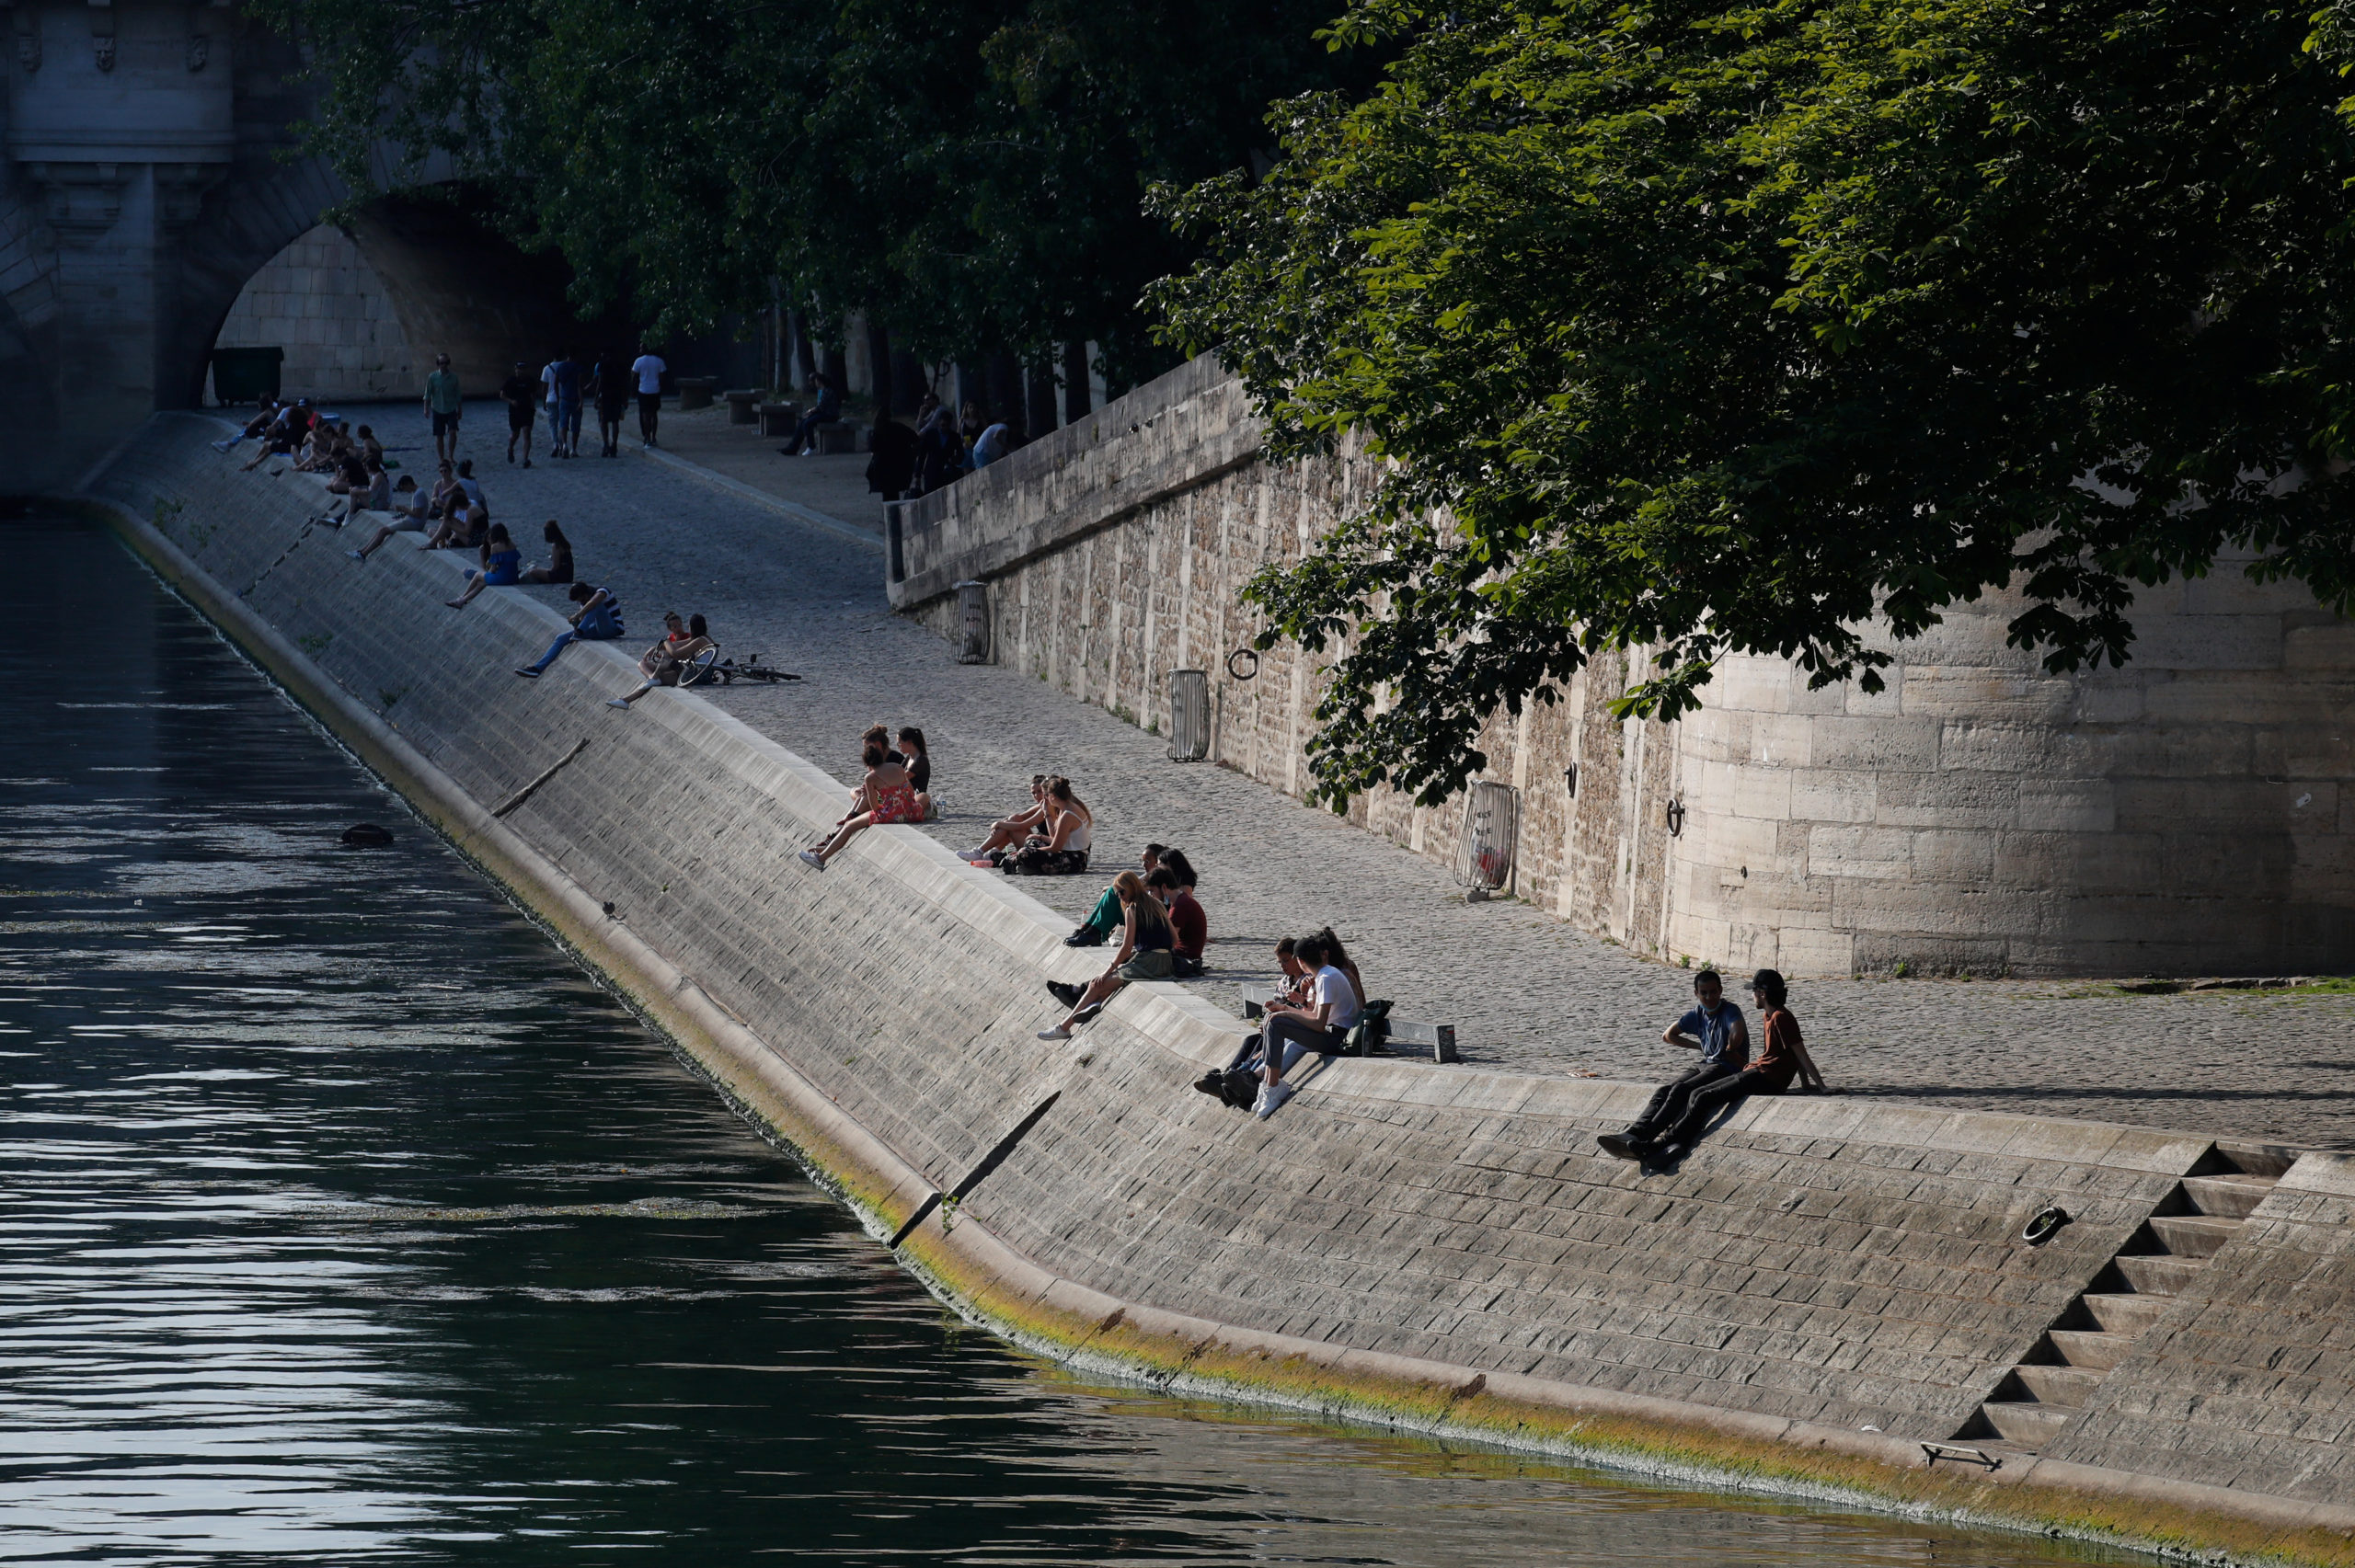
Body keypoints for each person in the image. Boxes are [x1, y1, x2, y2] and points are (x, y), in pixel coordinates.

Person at [1610, 969, 1821, 1164]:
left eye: (1754, 991)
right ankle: (1668, 1141)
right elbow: (1793, 1054)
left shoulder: (1780, 1018)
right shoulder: (1769, 1016)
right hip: (1757, 1071)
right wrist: (1804, 1083)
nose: (1752, 996)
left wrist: (1820, 1086)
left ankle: (1660, 1144)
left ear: (1762, 994)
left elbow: (1800, 1054)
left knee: (1700, 1096)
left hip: (1765, 1077)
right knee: (1692, 1093)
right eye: (1704, 993)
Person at [1596, 969, 1749, 1161]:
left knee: (1681, 1089)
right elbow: (1668, 1035)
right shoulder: (1698, 1013)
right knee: (1664, 1089)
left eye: (1713, 992)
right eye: (1704, 993)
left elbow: (1737, 1030)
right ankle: (1634, 1131)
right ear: (1696, 993)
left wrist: (1732, 1045)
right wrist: (1700, 1047)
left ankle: (1645, 1137)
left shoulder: (1730, 1010)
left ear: (1720, 990)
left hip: (1725, 1066)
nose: (1709, 997)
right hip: (1706, 1062)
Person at [1037, 871, 1173, 1040]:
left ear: (1132, 887)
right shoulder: (1157, 904)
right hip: (1165, 961)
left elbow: (1126, 947)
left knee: (1097, 984)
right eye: (1117, 894)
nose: (1120, 897)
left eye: (1122, 892)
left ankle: (1064, 1027)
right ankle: (1095, 1003)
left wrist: (1107, 971)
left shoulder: (1133, 909)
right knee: (1103, 987)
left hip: (1149, 962)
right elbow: (1174, 938)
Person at [1251, 933, 1361, 1119]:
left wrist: (1285, 1014)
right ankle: (1268, 1084)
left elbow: (1318, 1024)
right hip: (1332, 1032)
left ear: (1300, 961)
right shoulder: (1324, 975)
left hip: (1339, 1038)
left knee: (1276, 1022)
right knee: (1273, 1020)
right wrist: (1284, 1008)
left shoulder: (1326, 978)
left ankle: (1273, 1086)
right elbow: (1315, 1016)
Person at [798, 737, 919, 867]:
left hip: (895, 815)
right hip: (912, 811)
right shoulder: (897, 767)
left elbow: (875, 808)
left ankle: (820, 859)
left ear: (867, 764)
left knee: (849, 826)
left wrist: (874, 796)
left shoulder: (870, 777)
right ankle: (826, 848)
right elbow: (911, 792)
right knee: (854, 821)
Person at [1065, 843, 1169, 947]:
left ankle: (1093, 932)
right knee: (1112, 891)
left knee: (1114, 895)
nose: (1143, 865)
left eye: (1147, 862)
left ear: (1157, 862)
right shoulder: (1148, 875)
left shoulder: (1162, 879)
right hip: (1143, 914)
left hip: (1151, 921)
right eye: (1142, 861)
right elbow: (1130, 885)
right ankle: (1088, 929)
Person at [515, 582, 625, 677]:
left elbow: (593, 603)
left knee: (596, 605)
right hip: (596, 629)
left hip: (612, 629)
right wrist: (576, 623)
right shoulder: (584, 604)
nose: (581, 603)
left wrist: (578, 615)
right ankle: (537, 668)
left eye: (581, 599)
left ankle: (580, 632)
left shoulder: (602, 591)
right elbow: (585, 620)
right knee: (560, 638)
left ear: (586, 594)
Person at [609, 612, 714, 707]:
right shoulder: (701, 638)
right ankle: (628, 699)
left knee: (664, 661)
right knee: (648, 667)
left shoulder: (700, 640)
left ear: (692, 627)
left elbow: (676, 653)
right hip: (692, 672)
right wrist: (656, 648)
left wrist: (665, 642)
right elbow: (676, 645)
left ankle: (630, 697)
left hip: (696, 676)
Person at [1005, 776, 1091, 875]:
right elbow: (1056, 839)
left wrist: (1028, 851)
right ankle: (1029, 866)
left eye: (1047, 795)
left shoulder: (1067, 814)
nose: (1045, 798)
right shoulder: (1065, 808)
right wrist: (1040, 837)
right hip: (1069, 852)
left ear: (1053, 796)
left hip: (1075, 861)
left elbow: (1055, 847)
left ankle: (1028, 866)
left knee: (1024, 853)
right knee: (1032, 842)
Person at [959, 776, 1049, 863]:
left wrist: (999, 824)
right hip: (1039, 842)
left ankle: (980, 852)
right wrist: (1004, 822)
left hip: (1046, 847)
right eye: (1033, 793)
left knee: (1011, 825)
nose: (1036, 795)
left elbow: (1023, 825)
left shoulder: (1048, 807)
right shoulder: (1041, 805)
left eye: (1039, 791)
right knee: (1012, 819)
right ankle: (991, 851)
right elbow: (1018, 817)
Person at [346, 475, 427, 561]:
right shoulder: (417, 492)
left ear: (408, 484)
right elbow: (416, 512)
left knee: (383, 531)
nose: (405, 491)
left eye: (404, 488)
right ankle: (361, 551)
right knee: (381, 530)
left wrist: (404, 509)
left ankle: (363, 554)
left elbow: (418, 514)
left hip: (415, 523)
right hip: (411, 520)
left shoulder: (419, 494)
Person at [443, 523, 523, 608]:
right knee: (481, 584)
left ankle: (461, 597)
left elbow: (493, 569)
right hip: (513, 578)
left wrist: (487, 574)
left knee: (478, 575)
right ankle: (462, 601)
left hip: (502, 579)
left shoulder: (495, 547)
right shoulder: (512, 545)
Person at [1158, 866, 1208, 978]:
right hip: (1187, 954)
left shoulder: (1179, 907)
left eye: (1152, 891)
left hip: (1183, 957)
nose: (1151, 895)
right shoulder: (1181, 899)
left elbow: (1168, 941)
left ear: (1164, 887)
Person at [867, 410, 917, 499]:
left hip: (883, 467)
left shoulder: (878, 430)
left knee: (887, 494)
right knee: (894, 492)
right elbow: (915, 438)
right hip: (898, 465)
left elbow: (873, 447)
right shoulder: (899, 427)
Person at [790, 372, 844, 456]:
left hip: (830, 416)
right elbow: (820, 407)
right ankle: (793, 447)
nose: (812, 383)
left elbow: (821, 407)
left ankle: (811, 446)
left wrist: (810, 411)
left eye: (814, 381)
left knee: (808, 423)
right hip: (825, 414)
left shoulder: (827, 391)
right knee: (803, 421)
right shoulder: (821, 391)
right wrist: (811, 413)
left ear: (818, 381)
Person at [424, 353, 463, 464]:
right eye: (441, 363)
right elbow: (427, 393)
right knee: (439, 436)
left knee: (453, 433)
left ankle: (451, 456)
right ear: (438, 364)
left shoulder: (454, 377)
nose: (444, 365)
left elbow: (458, 394)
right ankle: (442, 459)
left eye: (446, 363)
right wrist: (426, 409)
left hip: (451, 409)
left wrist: (460, 409)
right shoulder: (432, 377)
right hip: (437, 409)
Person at [592, 349, 632, 457]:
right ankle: (614, 444)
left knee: (603, 421)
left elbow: (599, 382)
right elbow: (625, 383)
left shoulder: (602, 365)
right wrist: (625, 398)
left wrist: (596, 397)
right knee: (615, 421)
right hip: (617, 395)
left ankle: (606, 444)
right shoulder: (620, 365)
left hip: (605, 395)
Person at [500, 361, 538, 466]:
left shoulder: (530, 381)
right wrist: (511, 401)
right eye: (519, 369)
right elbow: (502, 395)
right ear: (515, 369)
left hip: (527, 410)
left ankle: (525, 459)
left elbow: (533, 394)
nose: (520, 371)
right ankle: (510, 448)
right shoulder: (510, 381)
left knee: (527, 432)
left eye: (522, 369)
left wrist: (532, 405)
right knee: (515, 435)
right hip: (514, 411)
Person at [549, 348, 584, 458]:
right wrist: (581, 400)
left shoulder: (561, 367)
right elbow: (579, 385)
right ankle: (573, 448)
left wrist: (558, 395)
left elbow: (555, 382)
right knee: (576, 425)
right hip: (575, 399)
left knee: (563, 423)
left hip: (564, 398)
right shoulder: (578, 368)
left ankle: (564, 444)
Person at [518, 520, 575, 584]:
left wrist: (547, 572)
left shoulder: (556, 546)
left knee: (532, 572)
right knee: (540, 570)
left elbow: (556, 566)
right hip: (568, 576)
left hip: (560, 577)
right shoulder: (564, 544)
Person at [630, 347, 666, 447]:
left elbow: (634, 376)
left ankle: (647, 438)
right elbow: (662, 377)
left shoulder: (639, 361)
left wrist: (632, 390)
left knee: (645, 415)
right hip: (655, 390)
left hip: (643, 390)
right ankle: (653, 437)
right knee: (654, 414)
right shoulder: (659, 361)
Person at [895, 726, 933, 818]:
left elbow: (902, 777)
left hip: (917, 797)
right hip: (904, 795)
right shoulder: (909, 758)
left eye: (899, 743)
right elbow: (897, 773)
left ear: (909, 742)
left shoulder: (921, 760)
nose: (898, 746)